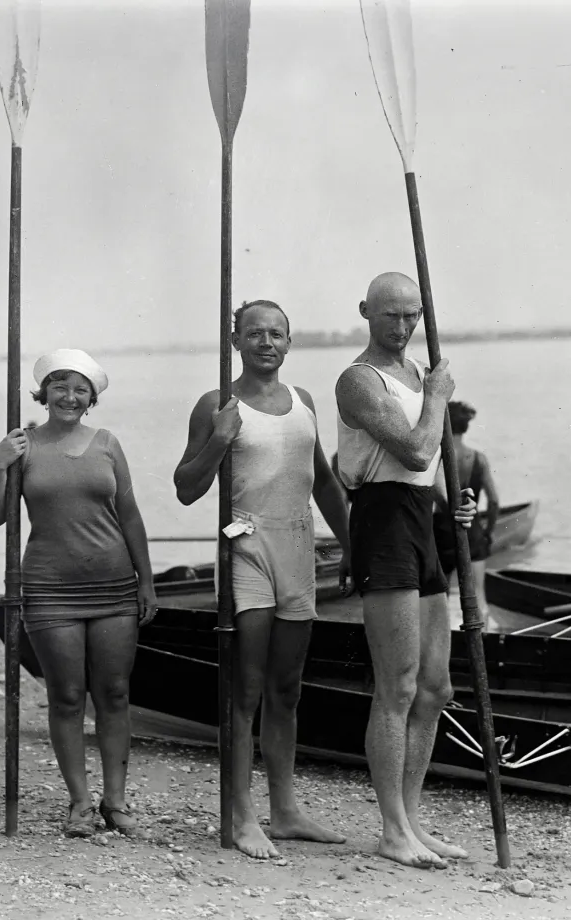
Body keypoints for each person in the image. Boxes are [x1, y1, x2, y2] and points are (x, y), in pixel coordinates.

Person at [173, 299, 352, 860]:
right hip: (244, 542)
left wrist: (352, 547)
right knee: (245, 687)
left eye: (277, 333)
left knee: (287, 689)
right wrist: (220, 438)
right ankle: (240, 814)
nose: (267, 342)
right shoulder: (216, 404)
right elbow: (185, 486)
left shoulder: (304, 402)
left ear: (290, 342)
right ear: (236, 340)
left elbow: (322, 480)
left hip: (298, 544)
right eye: (255, 333)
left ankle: (286, 810)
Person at [0, 348, 157, 839]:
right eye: (60, 386)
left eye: (81, 389)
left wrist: (146, 580)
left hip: (115, 585)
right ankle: (80, 804)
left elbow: (131, 515)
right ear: (44, 393)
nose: (70, 396)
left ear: (92, 398)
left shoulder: (107, 443)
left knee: (116, 694)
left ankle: (115, 802)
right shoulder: (24, 446)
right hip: (49, 589)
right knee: (66, 696)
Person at [334, 272, 477, 870]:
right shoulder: (357, 381)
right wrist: (441, 395)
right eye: (391, 314)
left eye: (412, 315)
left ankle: (413, 822)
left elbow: (431, 467)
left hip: (421, 520)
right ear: (366, 311)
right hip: (382, 520)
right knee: (396, 683)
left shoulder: (420, 374)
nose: (403, 326)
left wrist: (456, 501)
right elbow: (415, 449)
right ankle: (392, 830)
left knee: (435, 686)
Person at [431, 401, 499, 607]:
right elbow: (494, 501)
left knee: (438, 598)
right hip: (473, 530)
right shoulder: (478, 458)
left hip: (441, 533)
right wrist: (488, 532)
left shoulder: (435, 458)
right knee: (478, 598)